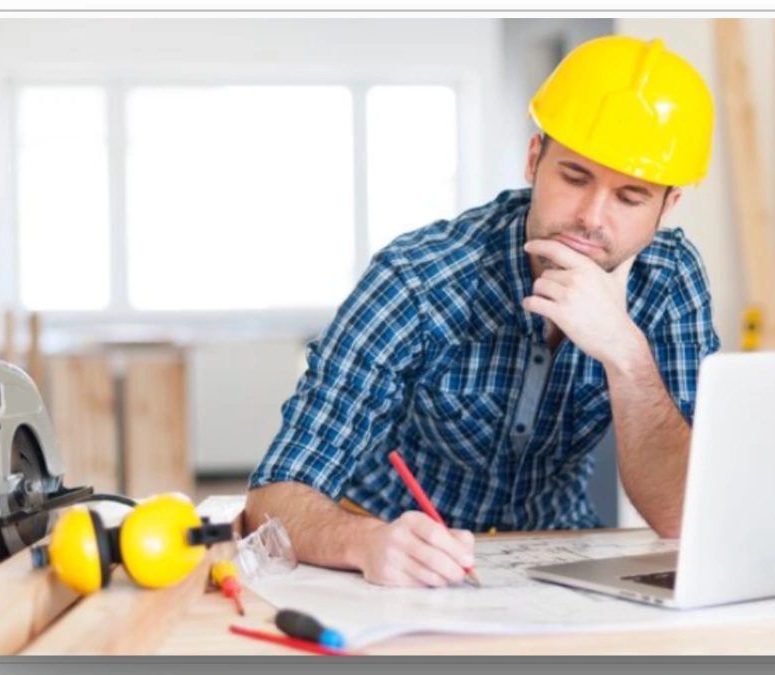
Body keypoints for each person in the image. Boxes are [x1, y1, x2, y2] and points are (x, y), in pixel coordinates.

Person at [244, 34, 720, 588]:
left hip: (555, 556)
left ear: (667, 207)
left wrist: (625, 353)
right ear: (533, 159)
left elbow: (684, 518)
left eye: (630, 197)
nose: (592, 217)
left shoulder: (670, 280)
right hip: (387, 548)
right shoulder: (418, 278)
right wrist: (366, 542)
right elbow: (271, 496)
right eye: (574, 177)